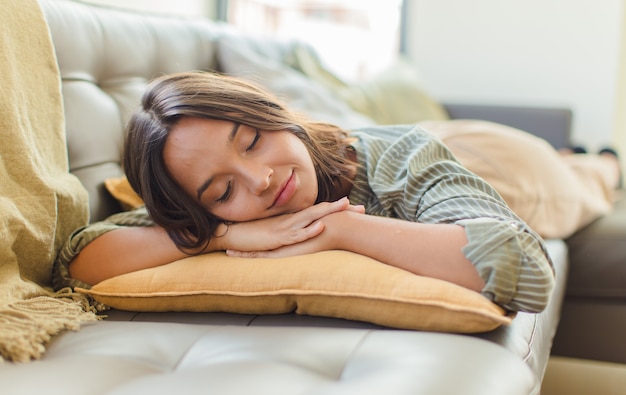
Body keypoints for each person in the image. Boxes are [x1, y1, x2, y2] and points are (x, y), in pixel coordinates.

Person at [54, 71, 556, 314]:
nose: (262, 180)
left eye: (252, 141)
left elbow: (525, 266)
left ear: (275, 113)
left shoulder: (403, 157)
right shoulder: (206, 209)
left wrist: (339, 228)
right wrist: (219, 236)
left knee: (567, 180)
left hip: (496, 162)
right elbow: (78, 260)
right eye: (224, 190)